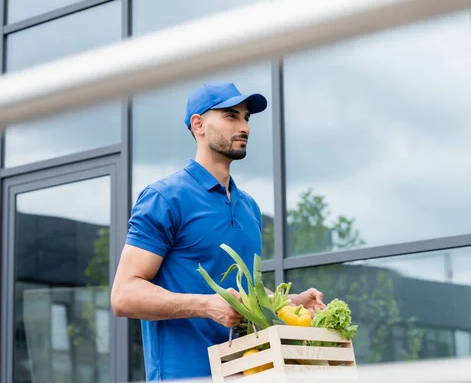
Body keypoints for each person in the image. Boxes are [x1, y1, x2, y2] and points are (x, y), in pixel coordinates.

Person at [111, 82, 325, 381]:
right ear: (198, 124)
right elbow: (123, 295)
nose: (244, 127)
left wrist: (290, 302)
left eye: (246, 118)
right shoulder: (165, 198)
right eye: (230, 116)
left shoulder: (248, 207)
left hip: (246, 374)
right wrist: (206, 306)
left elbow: (246, 292)